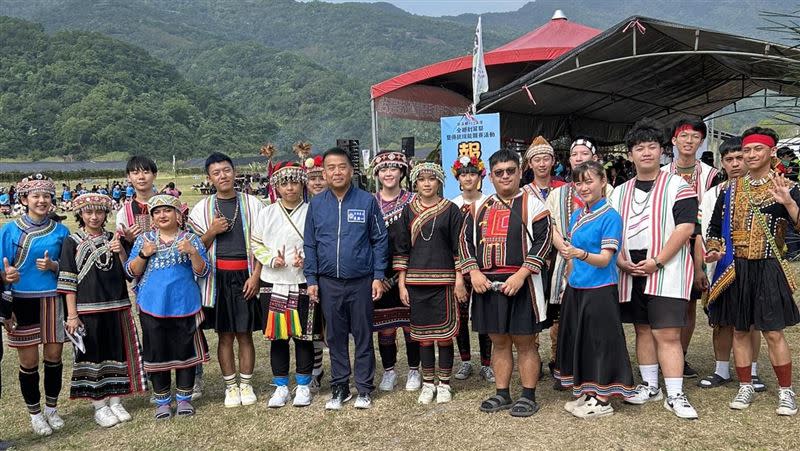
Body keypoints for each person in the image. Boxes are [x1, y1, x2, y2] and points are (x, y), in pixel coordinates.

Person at [706, 127, 800, 416]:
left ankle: (786, 391)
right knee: (740, 331)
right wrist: (714, 248)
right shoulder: (730, 189)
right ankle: (745, 385)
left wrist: (790, 203)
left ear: (771, 152)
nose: (750, 155)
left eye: (756, 149)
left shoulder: (787, 186)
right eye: (746, 150)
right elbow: (713, 229)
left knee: (773, 332)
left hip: (769, 265)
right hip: (739, 268)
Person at [610, 119, 699, 419]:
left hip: (666, 267)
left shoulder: (678, 186)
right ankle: (650, 386)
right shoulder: (619, 192)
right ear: (630, 154)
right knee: (643, 329)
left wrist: (658, 260)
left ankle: (675, 393)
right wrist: (620, 260)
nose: (646, 153)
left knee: (668, 333)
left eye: (652, 147)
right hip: (630, 267)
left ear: (662, 151)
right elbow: (611, 230)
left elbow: (686, 228)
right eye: (639, 148)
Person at [460, 149, 552, 417]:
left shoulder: (533, 204)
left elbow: (544, 242)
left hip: (522, 283)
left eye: (510, 171)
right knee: (498, 341)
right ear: (489, 176)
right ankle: (502, 393)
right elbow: (464, 243)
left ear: (520, 172)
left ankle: (528, 394)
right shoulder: (477, 208)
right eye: (499, 172)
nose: (505, 176)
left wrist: (522, 275)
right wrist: (474, 273)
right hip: (486, 286)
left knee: (525, 341)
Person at [303, 147, 388, 410]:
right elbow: (310, 244)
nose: (337, 172)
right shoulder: (316, 204)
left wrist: (378, 276)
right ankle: (340, 386)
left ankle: (363, 387)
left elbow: (379, 240)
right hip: (328, 282)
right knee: (336, 337)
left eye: (342, 167)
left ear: (351, 171)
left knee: (363, 335)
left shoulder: (366, 201)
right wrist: (312, 279)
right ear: (324, 173)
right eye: (331, 168)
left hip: (361, 281)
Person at [57, 193, 146, 427]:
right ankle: (99, 405)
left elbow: (129, 272)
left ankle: (116, 401)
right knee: (92, 356)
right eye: (88, 212)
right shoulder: (72, 241)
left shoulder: (114, 239)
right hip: (87, 310)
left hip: (117, 305)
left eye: (99, 212)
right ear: (80, 214)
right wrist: (72, 314)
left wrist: (121, 250)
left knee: (117, 353)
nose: (94, 217)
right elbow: (68, 280)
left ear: (106, 214)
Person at [554, 161, 635, 418]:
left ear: (603, 182)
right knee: (583, 341)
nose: (584, 187)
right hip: (577, 287)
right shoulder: (579, 215)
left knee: (601, 342)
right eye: (579, 182)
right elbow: (569, 249)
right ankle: (589, 391)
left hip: (600, 288)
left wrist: (579, 253)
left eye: (589, 181)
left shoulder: (611, 216)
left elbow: (604, 259)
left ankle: (602, 398)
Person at [188, 152, 265, 408]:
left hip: (246, 275)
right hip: (217, 278)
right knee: (225, 335)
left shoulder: (254, 204)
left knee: (245, 334)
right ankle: (230, 387)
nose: (223, 176)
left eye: (226, 170)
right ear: (209, 178)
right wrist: (212, 231)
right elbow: (195, 248)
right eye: (216, 173)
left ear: (235, 171)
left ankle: (246, 384)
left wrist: (256, 276)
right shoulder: (202, 209)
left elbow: (264, 244)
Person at [125, 194, 210, 419]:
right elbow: (131, 271)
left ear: (178, 215)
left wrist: (192, 252)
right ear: (152, 217)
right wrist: (144, 254)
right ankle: (162, 401)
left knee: (185, 351)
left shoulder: (191, 239)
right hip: (152, 305)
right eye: (157, 212)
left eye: (167, 210)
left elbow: (203, 271)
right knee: (157, 353)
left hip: (184, 304)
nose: (162, 215)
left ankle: (184, 399)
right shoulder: (144, 240)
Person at [0, 173, 70, 436]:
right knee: (28, 362)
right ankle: (35, 414)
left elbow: (70, 269)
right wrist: (5, 276)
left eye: (46, 196)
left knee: (53, 357)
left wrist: (53, 266)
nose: (42, 200)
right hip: (21, 301)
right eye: (35, 195)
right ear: (24, 199)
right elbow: (1, 269)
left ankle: (52, 408)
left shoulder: (62, 231)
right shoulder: (8, 230)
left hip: (52, 298)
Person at [696, 138, 765, 391]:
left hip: (754, 267)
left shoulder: (764, 189)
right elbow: (701, 232)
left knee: (751, 321)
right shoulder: (713, 193)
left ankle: (753, 372)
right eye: (729, 159)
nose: (735, 163)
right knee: (721, 320)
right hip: (719, 267)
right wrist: (700, 266)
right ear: (721, 163)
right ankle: (721, 370)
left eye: (740, 157)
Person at [393, 162, 465, 404]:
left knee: (445, 335)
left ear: (439, 182)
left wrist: (459, 280)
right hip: (415, 282)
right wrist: (402, 284)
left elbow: (458, 248)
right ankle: (427, 383)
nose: (426, 183)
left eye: (431, 179)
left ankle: (444, 384)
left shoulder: (451, 210)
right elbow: (402, 249)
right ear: (415, 182)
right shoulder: (408, 211)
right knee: (422, 336)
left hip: (444, 281)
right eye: (422, 179)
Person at [253, 162, 323, 407]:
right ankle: (281, 386)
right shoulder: (266, 213)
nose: (290, 187)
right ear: (276, 187)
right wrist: (273, 259)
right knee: (278, 337)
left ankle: (303, 385)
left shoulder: (313, 211)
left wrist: (309, 260)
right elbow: (255, 243)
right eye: (284, 183)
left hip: (303, 281)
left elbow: (320, 243)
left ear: (301, 183)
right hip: (273, 281)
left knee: (304, 336)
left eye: (294, 182)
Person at [546, 136, 612, 384]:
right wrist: (563, 247)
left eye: (585, 153)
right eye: (575, 155)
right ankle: (561, 363)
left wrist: (578, 252)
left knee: (593, 322)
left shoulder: (608, 194)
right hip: (565, 259)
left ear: (594, 159)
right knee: (562, 316)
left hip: (597, 265)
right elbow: (550, 223)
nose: (579, 158)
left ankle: (594, 374)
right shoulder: (558, 193)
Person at [661, 118, 720, 379]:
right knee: (664, 303)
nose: (688, 141)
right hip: (665, 243)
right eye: (683, 136)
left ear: (701, 141)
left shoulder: (710, 174)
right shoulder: (662, 172)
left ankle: (680, 357)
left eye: (695, 136)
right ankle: (660, 356)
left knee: (689, 306)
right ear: (674, 140)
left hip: (699, 244)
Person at [370, 150, 421, 392]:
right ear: (377, 174)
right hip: (379, 275)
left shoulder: (414, 200)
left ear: (402, 172)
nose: (388, 173)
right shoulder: (370, 202)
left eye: (393, 168)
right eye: (383, 169)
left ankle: (414, 370)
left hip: (409, 271)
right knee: (385, 326)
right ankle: (389, 371)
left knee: (411, 326)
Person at [450, 155, 494, 383]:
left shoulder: (490, 202)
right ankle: (466, 361)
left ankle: (487, 363)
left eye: (472, 173)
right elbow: (452, 243)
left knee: (485, 315)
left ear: (480, 176)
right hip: (460, 270)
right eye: (464, 174)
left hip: (485, 267)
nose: (468, 178)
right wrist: (458, 276)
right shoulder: (452, 205)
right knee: (461, 317)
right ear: (458, 178)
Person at [303, 154, 327, 389]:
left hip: (330, 273)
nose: (317, 183)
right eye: (312, 179)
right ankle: (316, 369)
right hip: (304, 275)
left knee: (331, 325)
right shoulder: (301, 208)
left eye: (321, 178)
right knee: (312, 326)